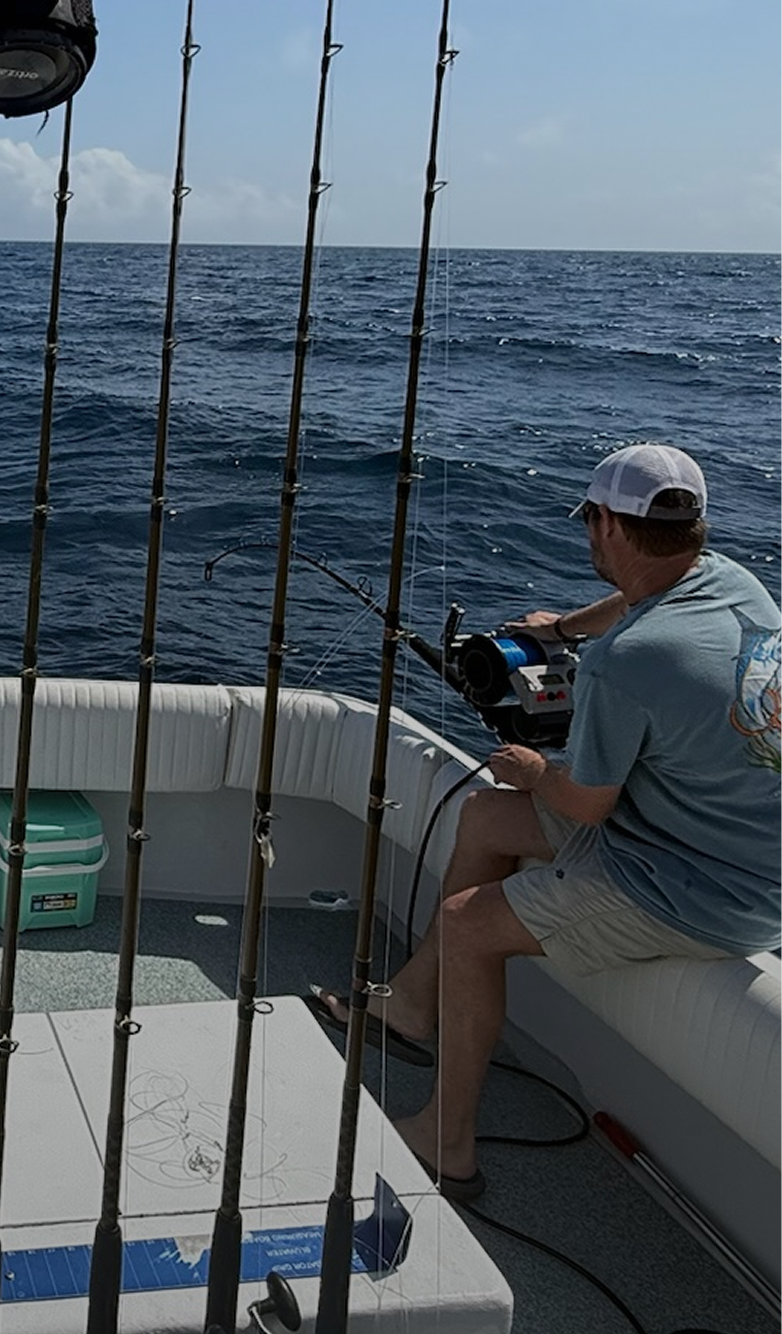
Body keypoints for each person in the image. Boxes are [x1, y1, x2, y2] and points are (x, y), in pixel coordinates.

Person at [322, 443, 782, 1202]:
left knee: (472, 923)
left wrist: (536, 771)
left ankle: (449, 1141)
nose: (588, 534)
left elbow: (585, 802)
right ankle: (409, 1007)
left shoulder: (629, 662)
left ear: (607, 523)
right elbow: (634, 604)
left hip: (697, 888)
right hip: (737, 847)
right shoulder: (735, 584)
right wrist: (564, 628)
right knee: (485, 816)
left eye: (591, 521)